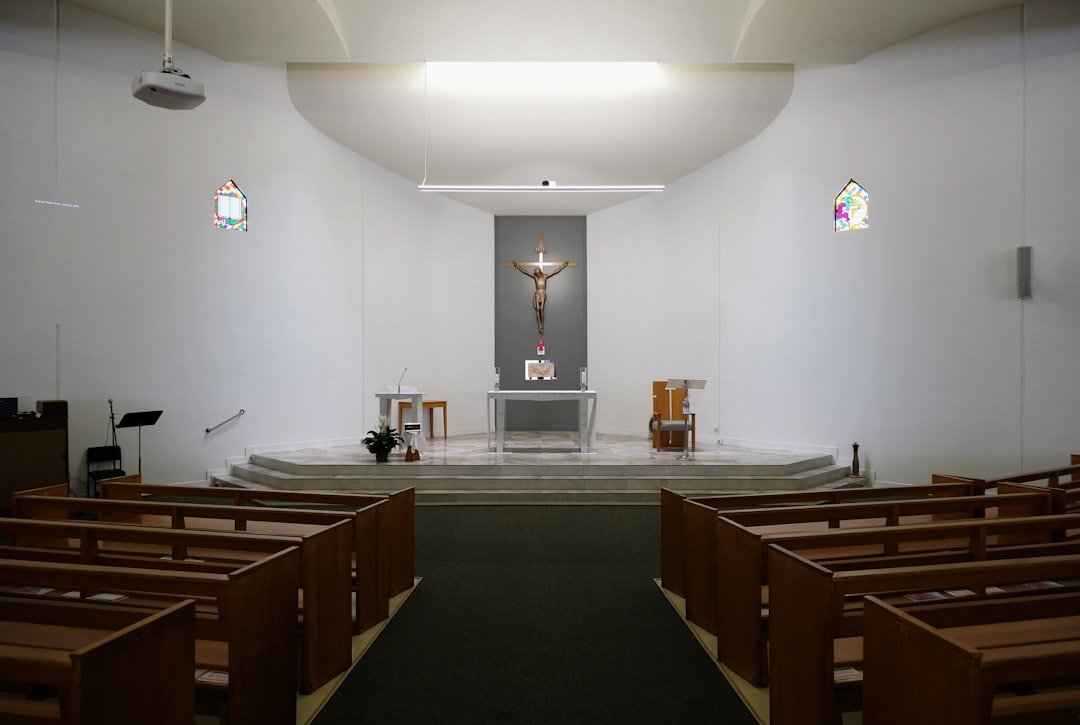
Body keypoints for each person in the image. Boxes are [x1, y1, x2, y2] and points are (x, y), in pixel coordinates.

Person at [512, 261, 569, 336]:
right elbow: (525, 272)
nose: (535, 273)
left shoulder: (545, 277)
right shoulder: (535, 278)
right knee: (537, 310)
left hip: (543, 293)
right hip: (537, 293)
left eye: (536, 272)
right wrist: (517, 266)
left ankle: (542, 325)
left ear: (540, 272)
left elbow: (555, 272)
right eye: (535, 272)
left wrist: (563, 266)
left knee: (541, 309)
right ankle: (540, 326)